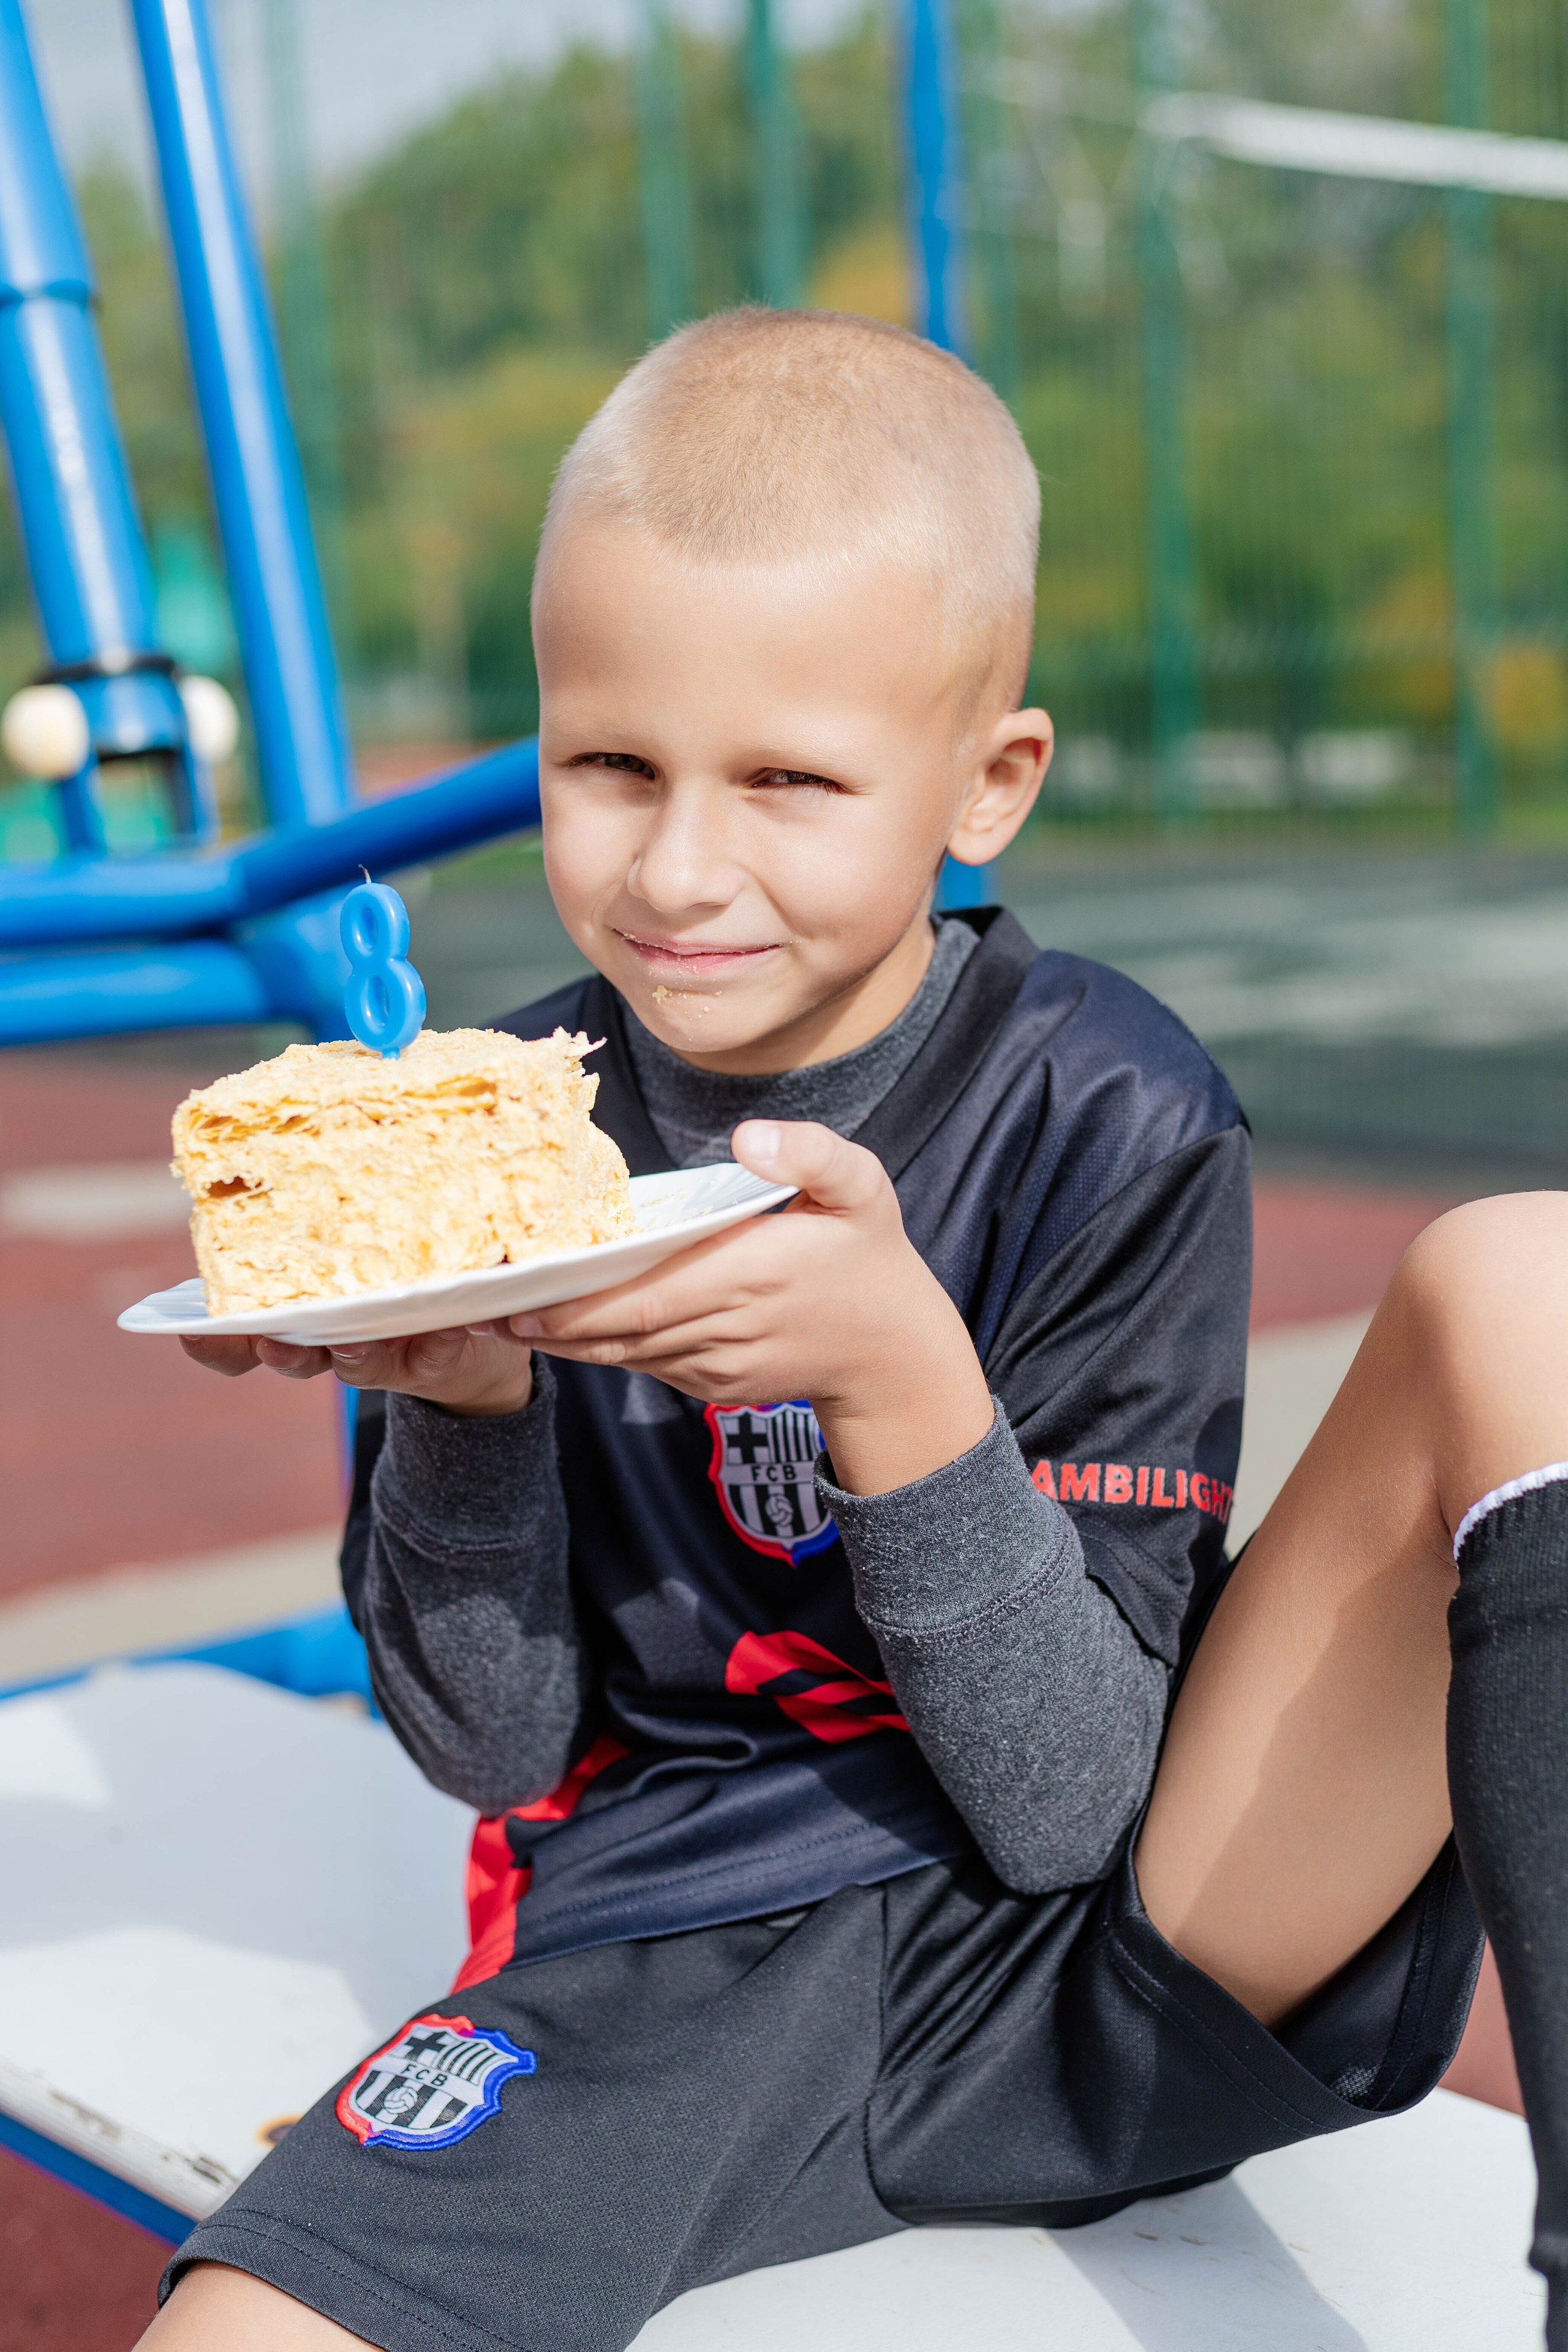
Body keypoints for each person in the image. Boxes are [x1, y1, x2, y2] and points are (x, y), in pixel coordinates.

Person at [142, 307, 1568, 2352]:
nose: (679, 865)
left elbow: (1073, 1809)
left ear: (988, 784)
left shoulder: (1109, 1107)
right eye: (609, 765)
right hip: (686, 1961)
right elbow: (488, 1751)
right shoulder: (494, 1132)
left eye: (788, 780)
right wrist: (461, 1395)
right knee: (239, 2324)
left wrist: (899, 1379)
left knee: (1529, 1274)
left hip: (1144, 1940)